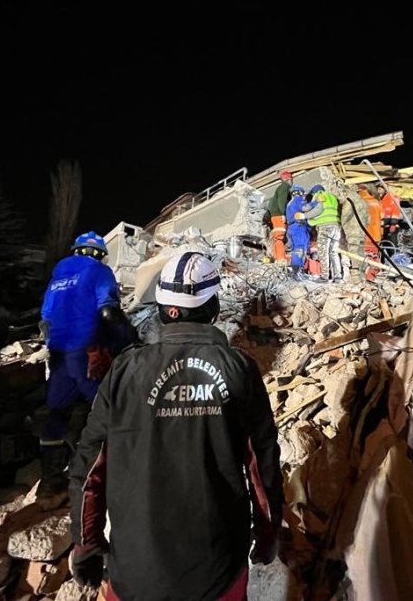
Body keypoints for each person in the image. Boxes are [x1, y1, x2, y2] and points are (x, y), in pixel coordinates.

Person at [68, 251, 284, 601]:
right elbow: (263, 464)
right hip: (218, 573)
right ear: (213, 309)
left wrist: (85, 542)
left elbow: (90, 464)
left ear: (161, 310)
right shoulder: (239, 369)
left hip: (135, 576)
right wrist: (268, 532)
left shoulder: (125, 371)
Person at [39, 231, 135, 495]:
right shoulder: (99, 272)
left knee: (57, 415)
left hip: (58, 356)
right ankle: (117, 472)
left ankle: (49, 481)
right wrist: (128, 340)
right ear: (100, 255)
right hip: (87, 355)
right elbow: (108, 311)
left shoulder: (58, 277)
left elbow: (45, 320)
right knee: (110, 408)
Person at [300, 183, 343, 282]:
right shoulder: (332, 197)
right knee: (333, 252)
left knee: (323, 252)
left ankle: (324, 276)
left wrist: (305, 216)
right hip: (336, 227)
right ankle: (337, 276)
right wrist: (312, 222)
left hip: (325, 227)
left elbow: (318, 210)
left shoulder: (319, 195)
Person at [266, 170, 293, 263]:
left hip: (275, 216)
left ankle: (278, 258)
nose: (291, 181)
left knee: (278, 237)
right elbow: (282, 202)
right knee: (279, 237)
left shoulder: (281, 188)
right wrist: (283, 214)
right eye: (291, 179)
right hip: (278, 215)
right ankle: (281, 259)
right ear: (288, 179)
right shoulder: (284, 187)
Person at [285, 184, 310, 280]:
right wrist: (316, 202)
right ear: (299, 192)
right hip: (298, 228)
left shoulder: (290, 203)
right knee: (299, 249)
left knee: (296, 249)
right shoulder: (298, 200)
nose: (303, 196)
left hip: (293, 228)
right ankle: (296, 272)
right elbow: (306, 208)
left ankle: (297, 270)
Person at [358, 185, 383, 281]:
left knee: (366, 257)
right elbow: (382, 217)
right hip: (376, 234)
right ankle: (376, 274)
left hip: (367, 234)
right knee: (375, 255)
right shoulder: (376, 202)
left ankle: (369, 276)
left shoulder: (361, 202)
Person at [374, 183, 404, 251]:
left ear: (385, 189)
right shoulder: (380, 198)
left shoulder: (392, 197)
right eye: (378, 189)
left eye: (380, 189)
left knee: (392, 245)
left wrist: (393, 224)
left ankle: (393, 258)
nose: (378, 191)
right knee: (384, 245)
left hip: (391, 224)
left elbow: (396, 211)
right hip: (384, 225)